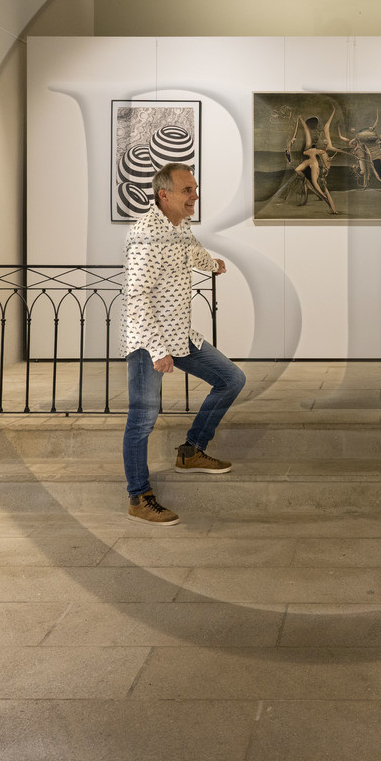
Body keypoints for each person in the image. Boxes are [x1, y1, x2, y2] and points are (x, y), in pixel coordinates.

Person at [121, 162, 245, 525]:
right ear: (165, 195)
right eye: (188, 190)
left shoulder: (179, 225)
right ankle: (138, 497)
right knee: (142, 419)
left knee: (231, 379)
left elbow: (192, 249)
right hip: (150, 341)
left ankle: (192, 451)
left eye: (195, 188)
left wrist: (212, 264)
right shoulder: (146, 236)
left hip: (181, 335)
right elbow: (136, 297)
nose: (195, 195)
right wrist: (158, 351)